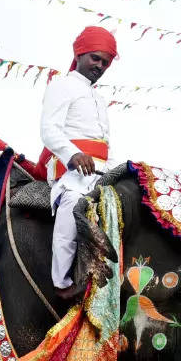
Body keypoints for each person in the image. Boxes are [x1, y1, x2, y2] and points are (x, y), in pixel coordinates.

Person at [39, 26, 117, 294]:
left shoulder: (100, 98)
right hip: (70, 174)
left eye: (105, 62)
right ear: (80, 53)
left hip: (102, 173)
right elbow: (49, 130)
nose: (100, 65)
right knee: (72, 205)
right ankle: (61, 281)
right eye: (95, 58)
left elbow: (106, 145)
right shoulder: (61, 85)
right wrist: (73, 154)